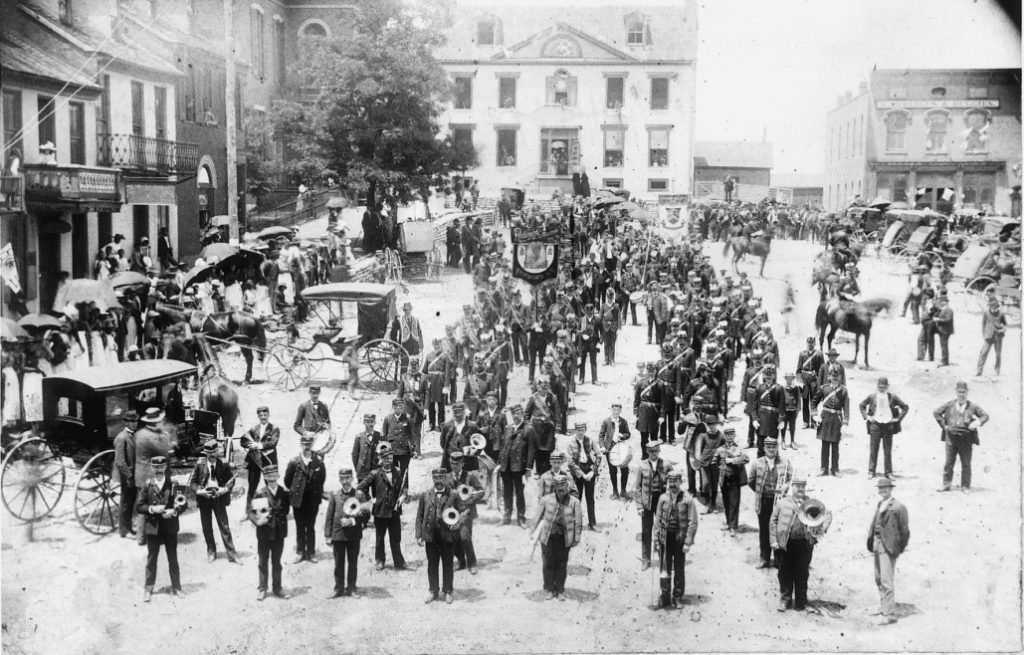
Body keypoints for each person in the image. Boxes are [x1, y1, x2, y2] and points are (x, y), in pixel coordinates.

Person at [770, 476, 830, 612]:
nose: (800, 489)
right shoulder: (783, 502)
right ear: (792, 488)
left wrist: (820, 531)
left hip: (804, 544)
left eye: (803, 487)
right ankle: (785, 600)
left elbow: (823, 517)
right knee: (785, 572)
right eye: (797, 487)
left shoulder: (812, 503)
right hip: (786, 543)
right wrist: (773, 540)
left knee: (802, 573)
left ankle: (800, 602)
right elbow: (773, 521)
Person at [135, 456, 183, 602]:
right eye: (156, 468)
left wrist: (174, 512)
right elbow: (138, 506)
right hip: (153, 528)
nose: (159, 470)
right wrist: (152, 508)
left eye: (161, 467)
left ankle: (177, 588)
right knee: (151, 559)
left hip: (170, 527)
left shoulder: (173, 483)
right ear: (152, 468)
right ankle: (148, 589)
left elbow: (183, 503)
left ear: (165, 468)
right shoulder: (147, 485)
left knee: (173, 558)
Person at [531, 473, 584, 601]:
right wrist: (532, 533)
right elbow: (537, 517)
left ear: (567, 486)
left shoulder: (574, 502)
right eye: (558, 485)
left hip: (564, 537)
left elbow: (578, 521)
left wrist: (576, 538)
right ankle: (549, 588)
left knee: (561, 563)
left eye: (563, 485)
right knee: (548, 562)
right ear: (554, 486)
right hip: (547, 536)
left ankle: (560, 590)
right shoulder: (546, 500)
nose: (560, 488)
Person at [866, 477, 910, 625]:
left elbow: (904, 532)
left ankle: (889, 614)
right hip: (877, 544)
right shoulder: (880, 503)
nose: (882, 490)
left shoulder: (898, 507)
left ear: (891, 489)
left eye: (885, 488)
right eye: (880, 488)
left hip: (888, 547)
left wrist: (897, 549)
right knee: (878, 578)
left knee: (886, 580)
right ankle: (884, 606)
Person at [933, 381, 989, 492]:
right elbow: (936, 412)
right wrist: (944, 425)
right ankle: (946, 484)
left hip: (966, 439)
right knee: (949, 463)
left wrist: (976, 422)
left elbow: (985, 416)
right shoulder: (950, 404)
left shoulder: (972, 406)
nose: (961, 395)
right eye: (959, 392)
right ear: (956, 392)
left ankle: (965, 486)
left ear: (967, 392)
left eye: (963, 392)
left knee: (966, 463)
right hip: (951, 438)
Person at [189, 439, 239, 563]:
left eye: (214, 452)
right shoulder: (200, 464)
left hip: (218, 497)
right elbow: (193, 482)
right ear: (205, 452)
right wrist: (200, 491)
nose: (211, 455)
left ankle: (232, 554)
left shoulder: (223, 463)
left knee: (224, 526)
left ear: (217, 451)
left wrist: (225, 489)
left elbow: (231, 480)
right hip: (204, 498)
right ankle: (211, 551)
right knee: (207, 527)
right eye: (209, 452)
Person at [654, 471, 699, 609]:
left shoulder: (688, 499)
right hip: (665, 540)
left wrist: (687, 542)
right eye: (670, 481)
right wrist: (656, 539)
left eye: (675, 481)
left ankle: (678, 596)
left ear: (681, 482)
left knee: (679, 569)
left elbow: (693, 522)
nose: (672, 484)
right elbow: (658, 520)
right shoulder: (663, 498)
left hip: (680, 540)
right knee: (664, 568)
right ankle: (665, 596)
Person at [357, 448, 408, 569]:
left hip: (394, 512)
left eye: (390, 459)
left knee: (395, 538)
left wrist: (402, 497)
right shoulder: (375, 473)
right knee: (380, 538)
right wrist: (371, 499)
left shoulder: (397, 471)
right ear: (380, 459)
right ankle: (380, 560)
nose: (388, 461)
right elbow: (361, 487)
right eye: (385, 459)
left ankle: (399, 562)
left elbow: (403, 488)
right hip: (380, 512)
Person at [323, 468, 370, 599]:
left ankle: (352, 588)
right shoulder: (335, 496)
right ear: (339, 480)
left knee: (353, 562)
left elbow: (366, 515)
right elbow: (329, 516)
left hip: (353, 535)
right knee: (338, 563)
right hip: (338, 535)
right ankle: (338, 588)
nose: (345, 482)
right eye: (342, 479)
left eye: (347, 478)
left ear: (352, 478)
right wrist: (328, 535)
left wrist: (352, 521)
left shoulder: (359, 496)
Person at [416, 468, 460, 604]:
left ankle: (447, 590)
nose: (439, 481)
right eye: (436, 478)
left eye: (441, 478)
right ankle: (433, 590)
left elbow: (463, 512)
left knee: (447, 563)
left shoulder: (453, 495)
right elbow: (420, 516)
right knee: (432, 564)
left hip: (447, 535)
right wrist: (419, 534)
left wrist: (457, 524)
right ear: (433, 479)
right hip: (431, 535)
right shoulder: (425, 495)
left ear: (446, 478)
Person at [748, 437, 794, 568]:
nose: (771, 449)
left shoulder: (785, 463)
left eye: (773, 447)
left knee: (779, 530)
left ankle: (779, 560)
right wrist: (760, 493)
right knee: (764, 531)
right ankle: (764, 558)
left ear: (777, 448)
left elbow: (792, 479)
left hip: (779, 503)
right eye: (768, 447)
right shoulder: (757, 463)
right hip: (764, 502)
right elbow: (751, 481)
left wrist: (786, 486)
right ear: (764, 448)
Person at [284, 433, 327, 563]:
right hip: (298, 500)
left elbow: (321, 479)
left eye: (309, 445)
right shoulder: (294, 462)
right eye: (304, 445)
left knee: (311, 526)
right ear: (300, 445)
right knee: (300, 526)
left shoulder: (318, 462)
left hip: (312, 499)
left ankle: (311, 553)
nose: (307, 447)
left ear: (313, 445)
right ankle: (300, 552)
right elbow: (287, 481)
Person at [858, 377, 909, 480]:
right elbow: (862, 405)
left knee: (887, 450)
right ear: (877, 386)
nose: (882, 389)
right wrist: (867, 416)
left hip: (888, 426)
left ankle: (888, 472)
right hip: (875, 425)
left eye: (884, 387)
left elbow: (905, 407)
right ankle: (871, 471)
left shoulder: (892, 397)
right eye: (880, 387)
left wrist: (897, 419)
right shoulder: (872, 396)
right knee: (873, 449)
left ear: (887, 387)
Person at [253, 464, 291, 601]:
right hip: (264, 533)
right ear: (265, 478)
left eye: (274, 477)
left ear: (278, 477)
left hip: (279, 532)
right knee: (263, 561)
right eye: (269, 478)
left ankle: (277, 588)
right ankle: (263, 589)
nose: (272, 480)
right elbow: (252, 512)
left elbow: (286, 510)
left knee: (277, 562)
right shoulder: (260, 493)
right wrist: (258, 521)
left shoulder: (284, 492)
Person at [635, 440, 672, 570]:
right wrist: (639, 506)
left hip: (661, 502)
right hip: (647, 503)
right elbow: (638, 488)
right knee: (646, 531)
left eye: (656, 451)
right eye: (651, 451)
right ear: (647, 452)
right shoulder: (642, 466)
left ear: (659, 451)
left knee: (663, 530)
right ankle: (646, 559)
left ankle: (664, 559)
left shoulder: (666, 465)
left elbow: (674, 483)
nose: (653, 453)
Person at [496, 404, 534, 527]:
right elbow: (503, 447)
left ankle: (521, 518)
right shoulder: (508, 428)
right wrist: (499, 463)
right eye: (513, 414)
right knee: (506, 492)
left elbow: (531, 449)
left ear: (522, 414)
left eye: (518, 413)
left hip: (519, 467)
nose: (516, 416)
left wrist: (528, 467)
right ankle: (506, 517)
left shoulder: (528, 429)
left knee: (519, 493)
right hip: (506, 466)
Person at [448, 452, 485, 574]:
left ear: (463, 463)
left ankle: (472, 563)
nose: (454, 466)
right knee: (453, 538)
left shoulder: (469, 476)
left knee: (465, 537)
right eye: (452, 464)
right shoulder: (447, 477)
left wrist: (471, 498)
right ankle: (461, 561)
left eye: (457, 464)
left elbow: (481, 492)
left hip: (467, 511)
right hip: (453, 513)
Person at [240, 406, 280, 509]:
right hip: (255, 461)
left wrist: (259, 445)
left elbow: (273, 443)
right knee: (252, 487)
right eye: (261, 415)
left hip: (268, 461)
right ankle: (248, 511)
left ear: (268, 415)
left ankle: (273, 510)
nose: (263, 417)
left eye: (265, 415)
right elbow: (243, 441)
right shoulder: (254, 429)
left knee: (271, 486)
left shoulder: (274, 429)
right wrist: (251, 445)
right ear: (258, 416)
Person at [814, 369, 849, 477]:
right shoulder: (824, 388)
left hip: (837, 420)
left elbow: (846, 408)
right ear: (829, 377)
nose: (835, 379)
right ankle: (823, 469)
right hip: (825, 418)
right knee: (824, 445)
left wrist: (845, 423)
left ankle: (835, 469)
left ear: (840, 378)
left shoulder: (843, 391)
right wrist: (815, 415)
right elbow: (813, 402)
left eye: (837, 377)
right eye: (833, 377)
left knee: (835, 446)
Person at [715, 427, 749, 535]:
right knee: (726, 502)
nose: (729, 436)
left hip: (735, 478)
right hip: (724, 478)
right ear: (724, 436)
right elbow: (714, 461)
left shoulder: (739, 448)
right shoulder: (720, 448)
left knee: (734, 502)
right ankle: (729, 523)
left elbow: (746, 459)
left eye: (731, 434)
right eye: (727, 434)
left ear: (734, 435)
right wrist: (718, 466)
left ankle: (733, 526)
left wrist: (732, 460)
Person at [566, 422, 599, 531]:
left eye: (582, 430)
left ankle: (592, 523)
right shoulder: (570, 443)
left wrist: (593, 471)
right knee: (576, 499)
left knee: (590, 499)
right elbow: (570, 462)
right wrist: (582, 475)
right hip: (577, 473)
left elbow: (599, 455)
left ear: (585, 430)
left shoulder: (590, 440)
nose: (580, 432)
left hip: (589, 471)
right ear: (575, 430)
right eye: (578, 430)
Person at [113, 411, 139, 539]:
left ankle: (128, 527)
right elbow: (120, 461)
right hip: (126, 476)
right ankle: (123, 530)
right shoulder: (121, 438)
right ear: (126, 422)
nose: (134, 424)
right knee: (126, 503)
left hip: (134, 475)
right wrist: (129, 477)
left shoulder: (133, 436)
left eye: (135, 422)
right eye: (132, 422)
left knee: (130, 502)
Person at [598, 403, 631, 500]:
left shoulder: (623, 421)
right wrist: (602, 446)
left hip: (621, 448)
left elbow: (628, 434)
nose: (616, 412)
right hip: (610, 448)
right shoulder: (606, 421)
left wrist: (622, 436)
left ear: (621, 411)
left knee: (624, 470)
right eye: (614, 410)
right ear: (611, 410)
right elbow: (601, 436)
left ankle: (623, 490)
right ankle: (615, 490)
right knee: (613, 471)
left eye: (618, 410)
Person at [976, 297, 1007, 376]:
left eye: (994, 305)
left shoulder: (1001, 313)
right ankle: (979, 371)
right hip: (988, 336)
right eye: (991, 305)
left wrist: (1002, 330)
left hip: (998, 337)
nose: (992, 307)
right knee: (983, 353)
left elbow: (1005, 324)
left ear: (997, 305)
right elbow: (983, 323)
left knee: (998, 354)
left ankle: (997, 370)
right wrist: (984, 333)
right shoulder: (986, 313)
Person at [390, 301, 423, 370]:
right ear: (403, 310)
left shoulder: (415, 320)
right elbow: (393, 334)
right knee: (404, 367)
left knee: (415, 368)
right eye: (405, 310)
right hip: (404, 346)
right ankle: (403, 381)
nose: (407, 311)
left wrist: (421, 346)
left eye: (408, 309)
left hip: (415, 346)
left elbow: (420, 333)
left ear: (411, 310)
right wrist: (396, 346)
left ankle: (414, 380)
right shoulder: (400, 320)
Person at [350, 414, 381, 481]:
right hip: (362, 471)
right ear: (363, 422)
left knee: (376, 491)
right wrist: (358, 469)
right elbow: (354, 455)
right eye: (367, 422)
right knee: (362, 491)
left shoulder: (379, 436)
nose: (369, 424)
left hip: (375, 471)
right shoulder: (359, 437)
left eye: (371, 422)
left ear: (375, 423)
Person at [932, 294, 954, 366]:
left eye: (941, 301)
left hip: (946, 330)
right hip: (943, 330)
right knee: (943, 345)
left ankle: (944, 361)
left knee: (944, 345)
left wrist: (938, 319)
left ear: (945, 302)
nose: (940, 302)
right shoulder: (943, 309)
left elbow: (948, 320)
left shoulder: (949, 310)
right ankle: (944, 360)